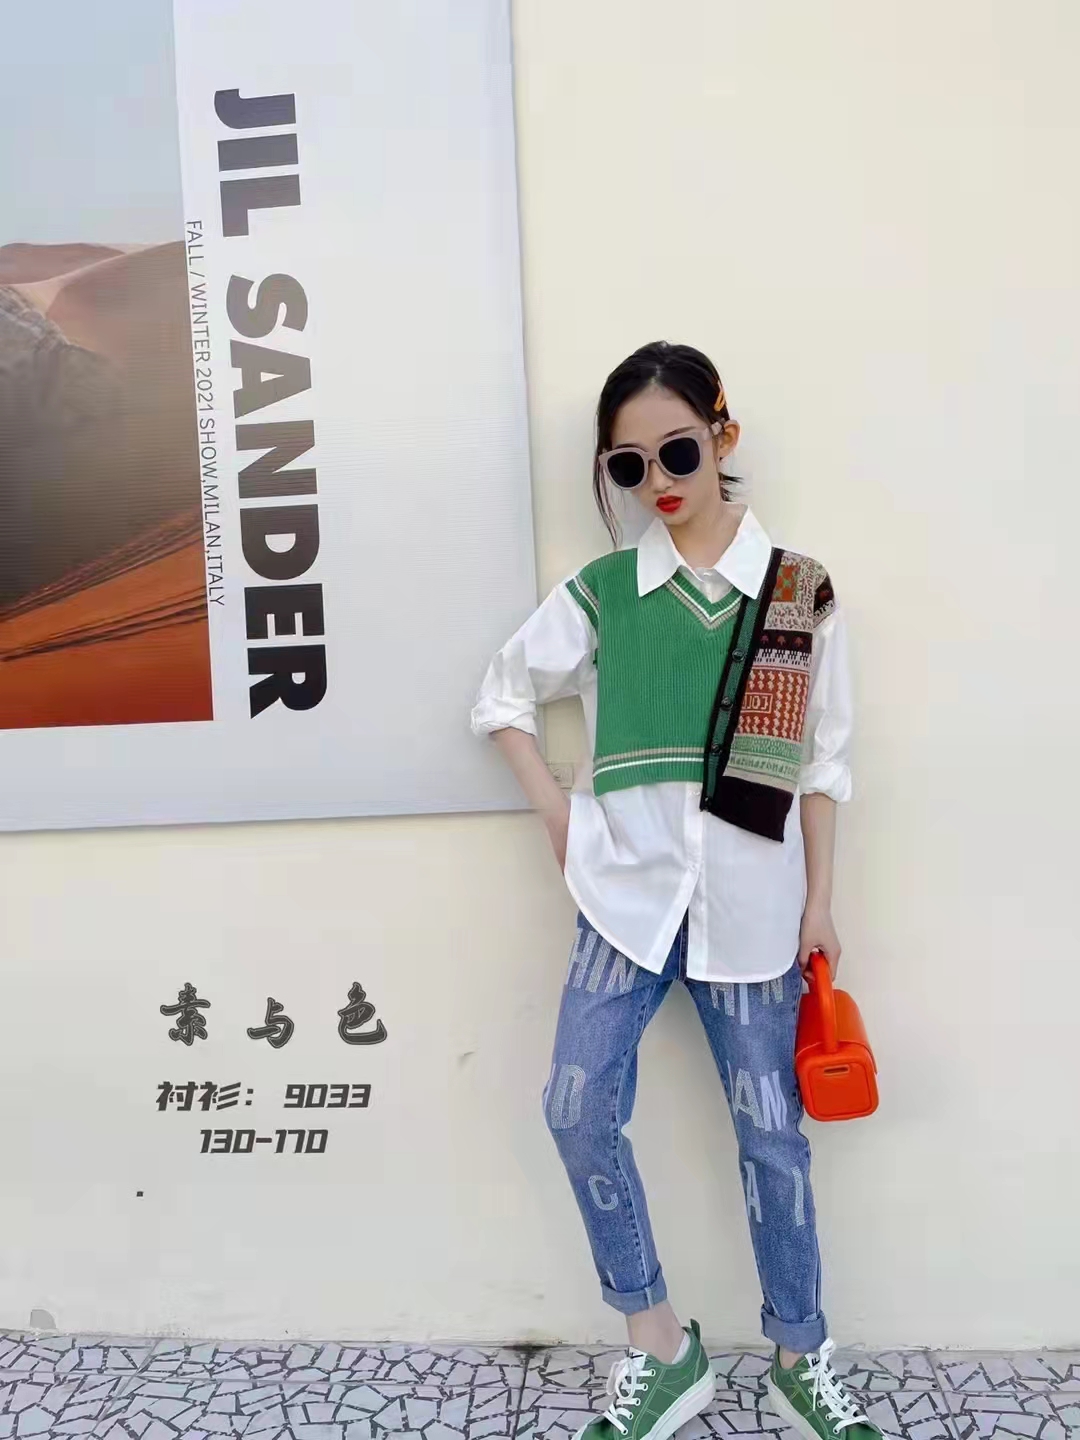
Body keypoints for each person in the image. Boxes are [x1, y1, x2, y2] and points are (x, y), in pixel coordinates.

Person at [471, 342, 882, 1440]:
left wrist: (820, 902)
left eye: (679, 452)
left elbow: (824, 766)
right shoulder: (605, 594)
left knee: (772, 1138)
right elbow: (502, 698)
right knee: (575, 1109)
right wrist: (560, 816)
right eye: (628, 464)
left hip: (754, 909)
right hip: (625, 903)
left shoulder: (799, 590)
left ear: (723, 437)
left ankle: (800, 1355)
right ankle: (660, 1344)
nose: (656, 480)